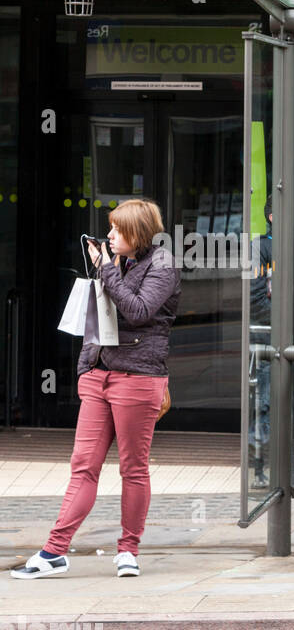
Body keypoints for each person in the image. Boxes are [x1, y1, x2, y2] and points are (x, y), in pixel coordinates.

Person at [12, 198, 179, 579]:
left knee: (133, 468)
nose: (109, 235)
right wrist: (87, 367)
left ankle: (128, 550)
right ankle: (54, 550)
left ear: (137, 232)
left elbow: (138, 311)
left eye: (118, 229)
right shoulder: (115, 263)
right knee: (83, 467)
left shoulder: (163, 265)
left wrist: (107, 269)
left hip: (137, 378)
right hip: (97, 374)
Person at [249, 204, 273, 486]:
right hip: (267, 334)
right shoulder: (259, 247)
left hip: (289, 333)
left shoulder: (292, 243)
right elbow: (254, 296)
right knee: (264, 403)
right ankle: (259, 468)